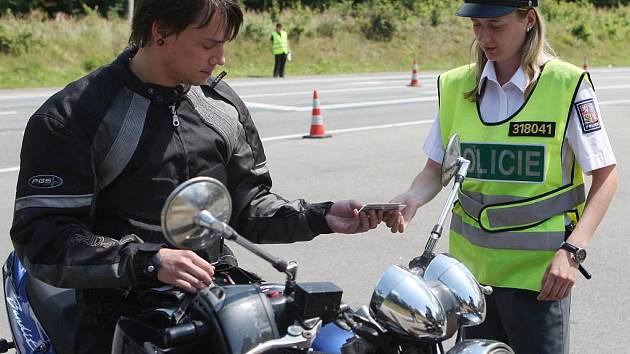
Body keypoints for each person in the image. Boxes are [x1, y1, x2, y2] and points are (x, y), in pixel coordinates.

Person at [10, 1, 383, 353]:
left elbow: (247, 205)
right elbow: (42, 237)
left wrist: (319, 215)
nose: (220, 58)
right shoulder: (73, 117)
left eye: (223, 45)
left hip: (219, 298)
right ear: (160, 32)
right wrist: (147, 261)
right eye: (208, 44)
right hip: (119, 314)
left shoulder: (220, 105)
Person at [385, 1, 618, 353]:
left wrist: (573, 252)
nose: (484, 37)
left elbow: (606, 175)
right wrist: (411, 198)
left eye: (496, 25)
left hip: (539, 280)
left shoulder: (566, 85)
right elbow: (435, 170)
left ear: (528, 20)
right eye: (477, 26)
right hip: (468, 281)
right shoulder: (455, 86)